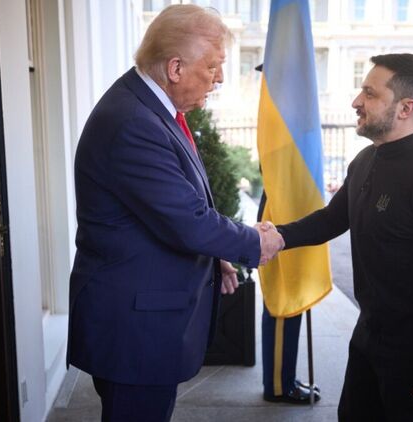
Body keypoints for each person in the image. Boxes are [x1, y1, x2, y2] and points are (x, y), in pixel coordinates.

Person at [66, 5, 284, 421]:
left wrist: (215, 254)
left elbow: (167, 210)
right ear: (176, 67)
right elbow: (188, 220)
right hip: (134, 332)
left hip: (140, 320)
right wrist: (254, 242)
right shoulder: (134, 122)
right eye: (213, 66)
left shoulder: (147, 109)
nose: (220, 78)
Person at [264, 53, 413, 421]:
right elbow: (331, 219)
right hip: (367, 339)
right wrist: (276, 237)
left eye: (370, 93)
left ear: (406, 108)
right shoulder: (365, 160)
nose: (356, 101)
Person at [254, 62, 322, 405]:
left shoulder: (285, 119)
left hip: (286, 211)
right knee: (283, 303)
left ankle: (284, 378)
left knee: (287, 302)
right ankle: (280, 386)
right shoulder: (283, 121)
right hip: (283, 213)